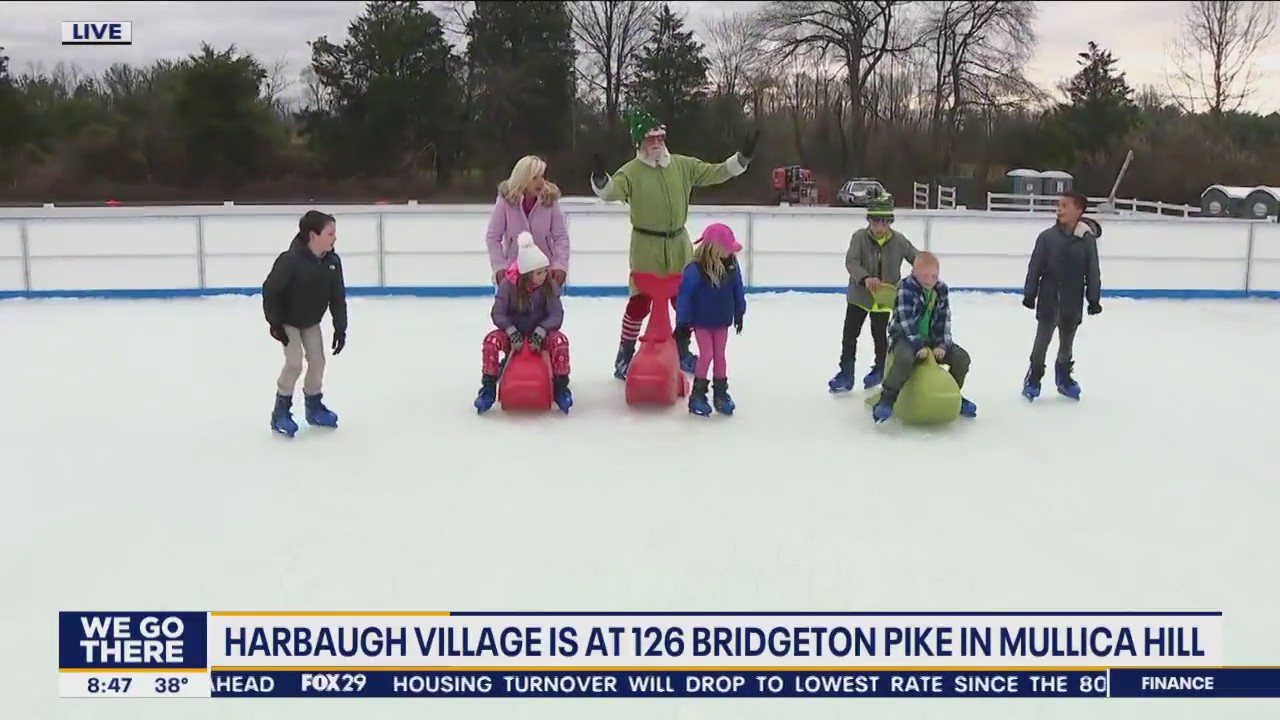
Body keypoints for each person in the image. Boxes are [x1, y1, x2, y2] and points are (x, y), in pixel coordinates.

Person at [590, 107, 758, 379]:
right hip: (646, 246)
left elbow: (715, 172)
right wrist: (600, 179)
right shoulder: (631, 172)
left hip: (679, 244)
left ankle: (682, 348)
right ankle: (625, 353)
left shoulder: (682, 165)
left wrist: (742, 159)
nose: (656, 144)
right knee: (640, 302)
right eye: (650, 139)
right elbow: (611, 191)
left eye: (660, 138)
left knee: (684, 300)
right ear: (639, 144)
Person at [262, 210, 348, 437]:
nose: (334, 238)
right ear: (313, 236)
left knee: (318, 361)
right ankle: (280, 412)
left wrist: (341, 327)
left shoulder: (332, 262)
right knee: (294, 364)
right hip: (288, 321)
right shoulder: (289, 261)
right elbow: (270, 291)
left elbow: (337, 296)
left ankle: (314, 406)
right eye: (330, 233)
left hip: (310, 321)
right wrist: (275, 323)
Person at [871, 251, 976, 423]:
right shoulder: (906, 288)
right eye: (925, 275)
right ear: (915, 272)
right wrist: (918, 346)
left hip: (932, 338)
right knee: (905, 359)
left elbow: (944, 319)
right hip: (905, 337)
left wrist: (942, 345)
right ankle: (887, 399)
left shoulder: (941, 289)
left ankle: (953, 395)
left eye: (934, 275)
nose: (930, 280)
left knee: (962, 358)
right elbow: (906, 321)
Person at [829, 195, 919, 394]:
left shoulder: (899, 241)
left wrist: (926, 271)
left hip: (884, 299)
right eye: (875, 221)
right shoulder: (859, 238)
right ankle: (846, 373)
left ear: (890, 222)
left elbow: (916, 258)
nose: (879, 226)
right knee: (850, 335)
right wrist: (865, 278)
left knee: (880, 336)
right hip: (859, 297)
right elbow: (851, 262)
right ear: (868, 220)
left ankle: (879, 368)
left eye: (884, 222)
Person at [474, 233, 573, 414]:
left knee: (560, 342)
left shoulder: (549, 285)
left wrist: (542, 330)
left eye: (545, 270)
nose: (544, 275)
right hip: (513, 332)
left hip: (540, 332)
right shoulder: (508, 285)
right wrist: (511, 331)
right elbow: (498, 312)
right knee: (491, 341)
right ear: (527, 274)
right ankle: (488, 388)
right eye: (539, 272)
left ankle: (561, 387)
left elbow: (556, 314)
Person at [1020, 191, 1103, 400]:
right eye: (1058, 205)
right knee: (1041, 344)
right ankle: (1034, 378)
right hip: (1049, 300)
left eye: (1065, 206)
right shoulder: (1047, 238)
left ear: (1079, 210)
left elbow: (1092, 270)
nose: (1059, 209)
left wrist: (1093, 299)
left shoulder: (1086, 240)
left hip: (1072, 302)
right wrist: (1030, 294)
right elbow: (1035, 268)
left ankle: (1064, 379)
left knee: (1067, 345)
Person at [675, 223, 747, 417]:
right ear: (714, 247)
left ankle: (721, 394)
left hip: (722, 320)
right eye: (727, 248)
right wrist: (682, 323)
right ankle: (697, 396)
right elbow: (684, 296)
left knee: (720, 355)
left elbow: (737, 288)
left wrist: (740, 310)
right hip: (702, 321)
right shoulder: (696, 269)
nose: (730, 252)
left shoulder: (731, 264)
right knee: (706, 354)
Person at [485, 155, 571, 286]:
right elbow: (493, 237)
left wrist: (560, 265)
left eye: (542, 176)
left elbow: (561, 237)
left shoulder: (550, 201)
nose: (540, 182)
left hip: (544, 274)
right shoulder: (505, 202)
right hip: (513, 273)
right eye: (535, 178)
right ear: (523, 179)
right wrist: (499, 266)